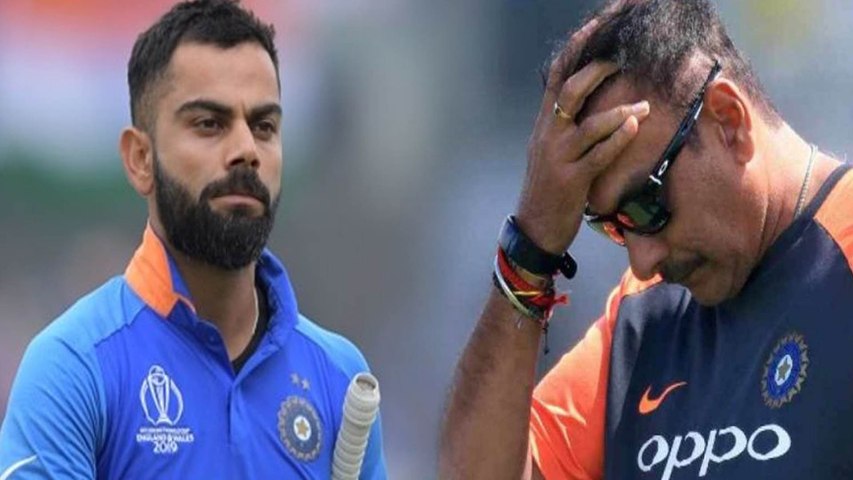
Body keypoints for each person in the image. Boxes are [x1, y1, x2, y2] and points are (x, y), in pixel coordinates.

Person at [440, 0, 853, 478]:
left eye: (646, 206)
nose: (641, 260)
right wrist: (531, 248)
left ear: (728, 121)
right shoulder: (640, 319)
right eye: (613, 226)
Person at [0, 1, 386, 478]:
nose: (246, 150)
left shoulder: (339, 375)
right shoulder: (73, 368)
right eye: (209, 124)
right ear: (140, 159)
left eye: (264, 126)